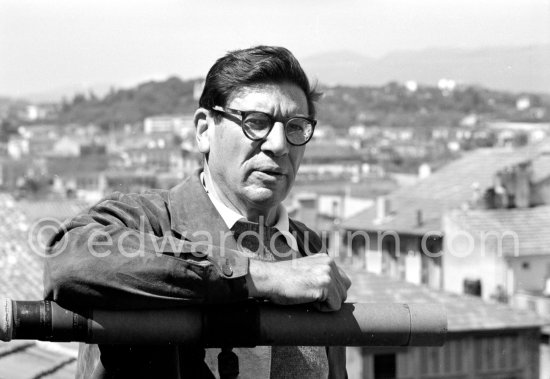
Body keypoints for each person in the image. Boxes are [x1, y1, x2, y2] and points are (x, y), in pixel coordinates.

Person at [44, 45, 351, 379]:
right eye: (257, 122)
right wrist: (260, 276)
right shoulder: (149, 221)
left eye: (295, 127)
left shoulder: (310, 251)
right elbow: (70, 258)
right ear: (205, 130)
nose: (279, 145)